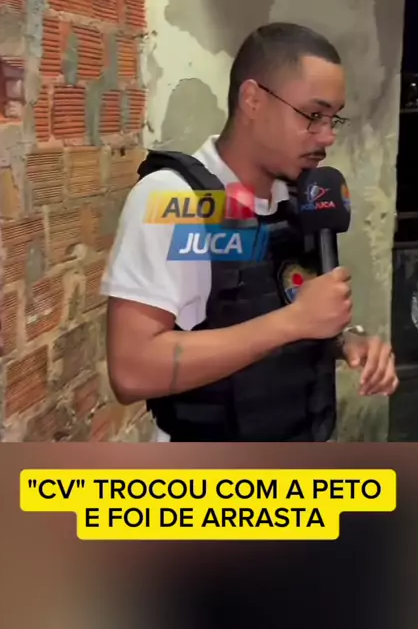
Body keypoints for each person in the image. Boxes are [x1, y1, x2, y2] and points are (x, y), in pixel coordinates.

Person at [101, 22, 399, 442]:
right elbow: (132, 370)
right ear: (253, 99)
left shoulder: (296, 201)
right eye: (313, 115)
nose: (328, 136)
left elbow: (277, 311)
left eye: (334, 118)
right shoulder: (176, 201)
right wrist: (293, 322)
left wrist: (345, 340)